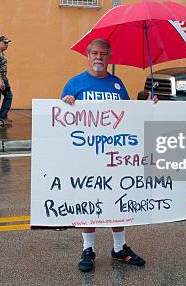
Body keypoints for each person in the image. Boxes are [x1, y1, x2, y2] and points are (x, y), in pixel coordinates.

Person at [61, 38, 156, 272]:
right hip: (86, 156)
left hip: (115, 155)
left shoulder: (117, 84)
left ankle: (119, 247)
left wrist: (153, 107)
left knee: (116, 200)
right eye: (94, 53)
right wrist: (66, 103)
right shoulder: (74, 84)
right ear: (87, 55)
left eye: (103, 54)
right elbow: (61, 120)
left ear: (109, 57)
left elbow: (129, 115)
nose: (99, 58)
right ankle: (88, 249)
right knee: (89, 202)